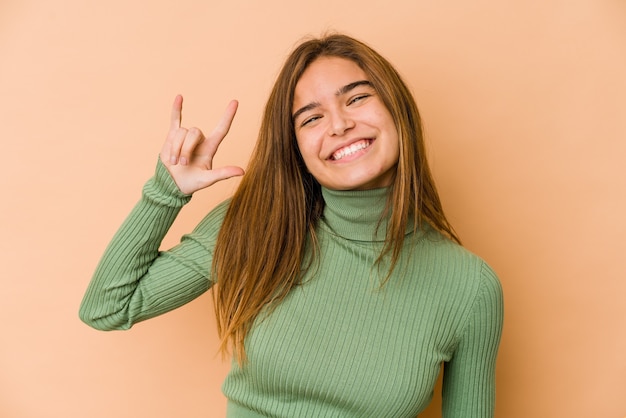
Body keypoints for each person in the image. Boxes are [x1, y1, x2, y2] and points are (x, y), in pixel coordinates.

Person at [79, 33, 503, 417]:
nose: (339, 125)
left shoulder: (469, 287)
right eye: (311, 118)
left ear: (399, 109)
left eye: (356, 98)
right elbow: (107, 308)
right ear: (296, 148)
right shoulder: (255, 225)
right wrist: (166, 192)